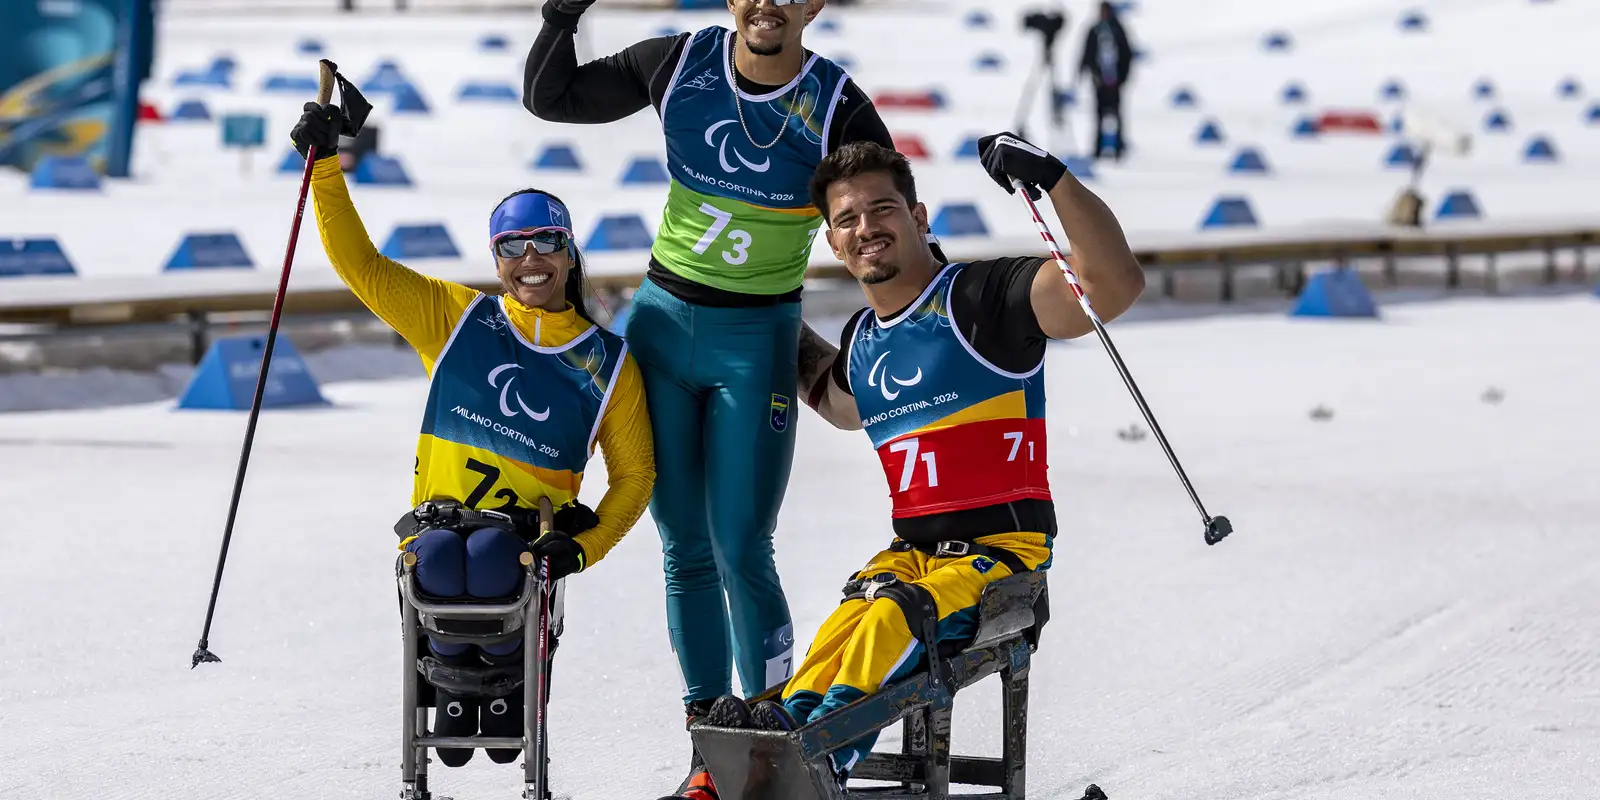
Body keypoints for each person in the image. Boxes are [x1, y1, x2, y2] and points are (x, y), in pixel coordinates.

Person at [695, 133, 1146, 791]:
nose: (865, 228)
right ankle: (775, 733)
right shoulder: (865, 338)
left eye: (881, 209)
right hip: (914, 558)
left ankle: (809, 760)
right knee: (848, 621)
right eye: (846, 220)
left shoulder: (984, 298)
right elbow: (840, 400)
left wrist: (1052, 178)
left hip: (1002, 559)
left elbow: (1115, 284)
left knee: (890, 618)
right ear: (833, 242)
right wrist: (762, 308)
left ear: (919, 217)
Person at [522, 0, 897, 781]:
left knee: (740, 546)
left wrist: (939, 316)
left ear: (813, 6)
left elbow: (884, 218)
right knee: (683, 548)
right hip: (661, 331)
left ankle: (771, 732)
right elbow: (551, 98)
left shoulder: (837, 106)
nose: (767, 4)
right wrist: (560, 17)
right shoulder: (678, 62)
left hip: (755, 341)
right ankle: (706, 743)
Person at [290, 101, 656, 767]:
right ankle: (456, 684)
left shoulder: (608, 361)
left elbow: (636, 477)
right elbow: (364, 268)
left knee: (490, 555)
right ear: (497, 259)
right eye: (511, 246)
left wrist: (585, 549)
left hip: (519, 538)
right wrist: (325, 169)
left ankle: (496, 681)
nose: (530, 259)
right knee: (435, 561)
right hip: (440, 526)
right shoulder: (458, 319)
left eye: (546, 240)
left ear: (571, 253)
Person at [1077, 0, 1134, 160]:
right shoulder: (1094, 30)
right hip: (1099, 81)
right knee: (1099, 116)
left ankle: (1118, 148)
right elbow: (1086, 53)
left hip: (1115, 82)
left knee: (1116, 116)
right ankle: (1097, 149)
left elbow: (1127, 55)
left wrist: (1123, 77)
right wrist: (1083, 73)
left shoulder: (1118, 30)